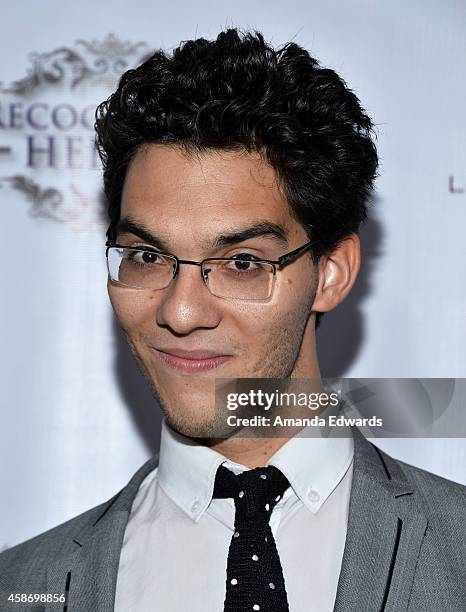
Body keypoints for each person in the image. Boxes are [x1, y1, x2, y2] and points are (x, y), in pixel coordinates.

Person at [0, 28, 464, 612]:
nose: (182, 311)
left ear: (331, 273)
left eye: (241, 262)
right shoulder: (22, 586)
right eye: (147, 256)